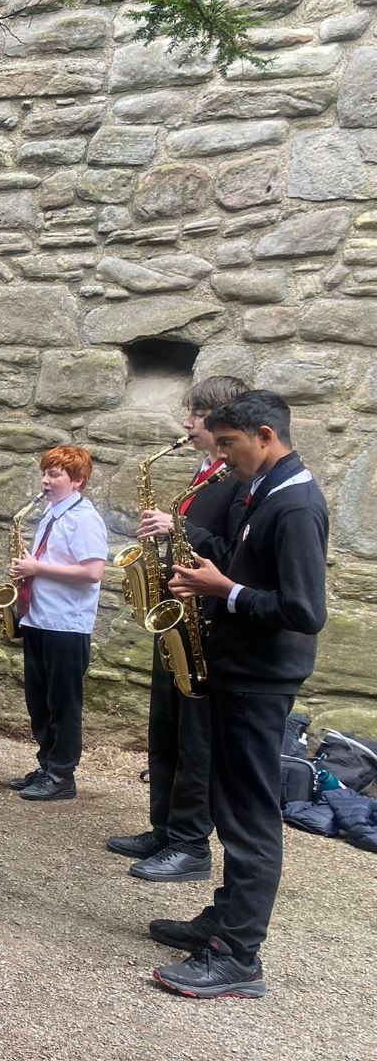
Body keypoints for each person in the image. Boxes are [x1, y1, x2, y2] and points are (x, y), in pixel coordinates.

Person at [153, 391, 327, 999]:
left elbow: (305, 611)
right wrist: (204, 567)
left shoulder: (296, 504)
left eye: (228, 444)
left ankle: (240, 956)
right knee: (230, 806)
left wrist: (223, 590)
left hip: (262, 676)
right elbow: (244, 567)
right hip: (238, 669)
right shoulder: (265, 491)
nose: (220, 454)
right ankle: (224, 919)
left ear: (264, 434)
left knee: (250, 815)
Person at [108, 377, 249, 883]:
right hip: (177, 612)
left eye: (195, 414)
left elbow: (235, 553)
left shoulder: (239, 480)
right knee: (165, 727)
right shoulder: (205, 476)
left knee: (195, 737)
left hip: (206, 623)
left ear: (221, 419)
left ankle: (191, 843)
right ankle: (164, 826)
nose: (186, 424)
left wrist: (178, 527)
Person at [7, 445, 108, 803]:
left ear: (78, 481)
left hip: (66, 624)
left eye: (55, 475)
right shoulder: (52, 513)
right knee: (40, 701)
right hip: (40, 618)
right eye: (45, 473)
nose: (45, 481)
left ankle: (62, 774)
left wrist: (37, 568)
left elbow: (93, 572)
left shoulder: (84, 518)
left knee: (63, 704)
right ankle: (47, 763)